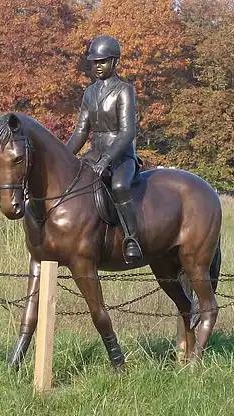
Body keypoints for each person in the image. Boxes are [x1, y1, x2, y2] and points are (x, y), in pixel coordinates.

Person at [66, 34, 143, 264]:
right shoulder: (89, 92)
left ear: (114, 62)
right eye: (94, 62)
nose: (97, 66)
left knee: (119, 187)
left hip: (120, 155)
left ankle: (132, 238)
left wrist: (108, 159)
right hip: (94, 154)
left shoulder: (124, 90)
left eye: (102, 61)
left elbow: (128, 132)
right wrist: (63, 156)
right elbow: (81, 131)